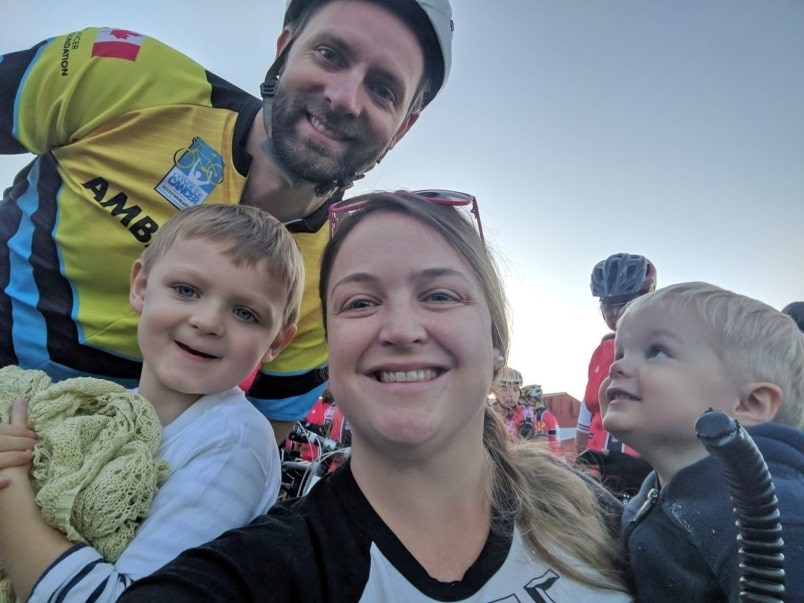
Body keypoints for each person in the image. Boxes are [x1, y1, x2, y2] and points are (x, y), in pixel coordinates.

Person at [119, 191, 632, 601]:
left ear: (495, 340)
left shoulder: (608, 520)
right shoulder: (259, 572)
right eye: (361, 302)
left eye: (439, 295)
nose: (402, 330)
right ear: (329, 352)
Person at [0, 0, 454, 443]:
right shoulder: (125, 76)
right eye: (330, 55)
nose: (343, 98)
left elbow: (260, 430)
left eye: (383, 90)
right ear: (285, 48)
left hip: (99, 463)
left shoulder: (339, 271)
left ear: (403, 127)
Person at [0, 204, 304, 601]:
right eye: (186, 290)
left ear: (276, 343)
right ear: (141, 287)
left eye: (246, 313)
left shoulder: (236, 441)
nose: (208, 321)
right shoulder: (104, 410)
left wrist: (10, 491)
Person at [599, 281, 804, 602]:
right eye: (622, 353)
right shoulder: (655, 490)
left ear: (750, 404)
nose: (617, 366)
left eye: (658, 351)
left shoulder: (776, 516)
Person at [575, 253, 655, 499]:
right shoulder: (601, 351)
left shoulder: (662, 347)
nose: (615, 312)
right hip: (601, 474)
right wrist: (579, 465)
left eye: (625, 302)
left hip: (645, 476)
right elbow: (586, 415)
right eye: (607, 304)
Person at [519, 383, 562, 455]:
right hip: (556, 457)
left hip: (549, 460)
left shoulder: (539, 416)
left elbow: (541, 444)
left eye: (524, 402)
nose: (523, 406)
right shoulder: (547, 414)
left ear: (532, 400)